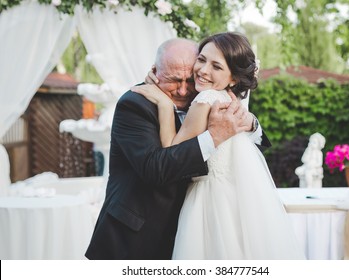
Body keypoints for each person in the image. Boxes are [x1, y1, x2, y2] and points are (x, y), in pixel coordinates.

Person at [85, 37, 267, 260]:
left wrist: (250, 123)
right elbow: (156, 168)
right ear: (155, 71)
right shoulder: (135, 104)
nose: (182, 90)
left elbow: (247, 146)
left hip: (195, 226)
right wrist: (213, 136)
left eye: (188, 79)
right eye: (173, 80)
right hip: (135, 239)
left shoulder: (206, 97)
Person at [132, 32, 305, 259]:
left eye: (216, 66)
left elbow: (172, 151)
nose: (203, 70)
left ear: (233, 78)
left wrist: (164, 105)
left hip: (209, 199)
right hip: (237, 202)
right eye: (201, 60)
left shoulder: (204, 100)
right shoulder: (225, 98)